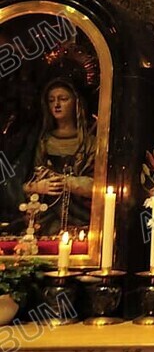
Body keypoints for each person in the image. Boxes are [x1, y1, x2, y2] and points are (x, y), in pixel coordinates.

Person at [23, 79, 95, 235]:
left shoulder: (90, 142)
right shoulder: (42, 141)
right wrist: (38, 187)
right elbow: (26, 179)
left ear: (76, 103)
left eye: (63, 99)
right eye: (51, 100)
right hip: (46, 214)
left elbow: (100, 185)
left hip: (80, 216)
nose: (56, 104)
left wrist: (66, 182)